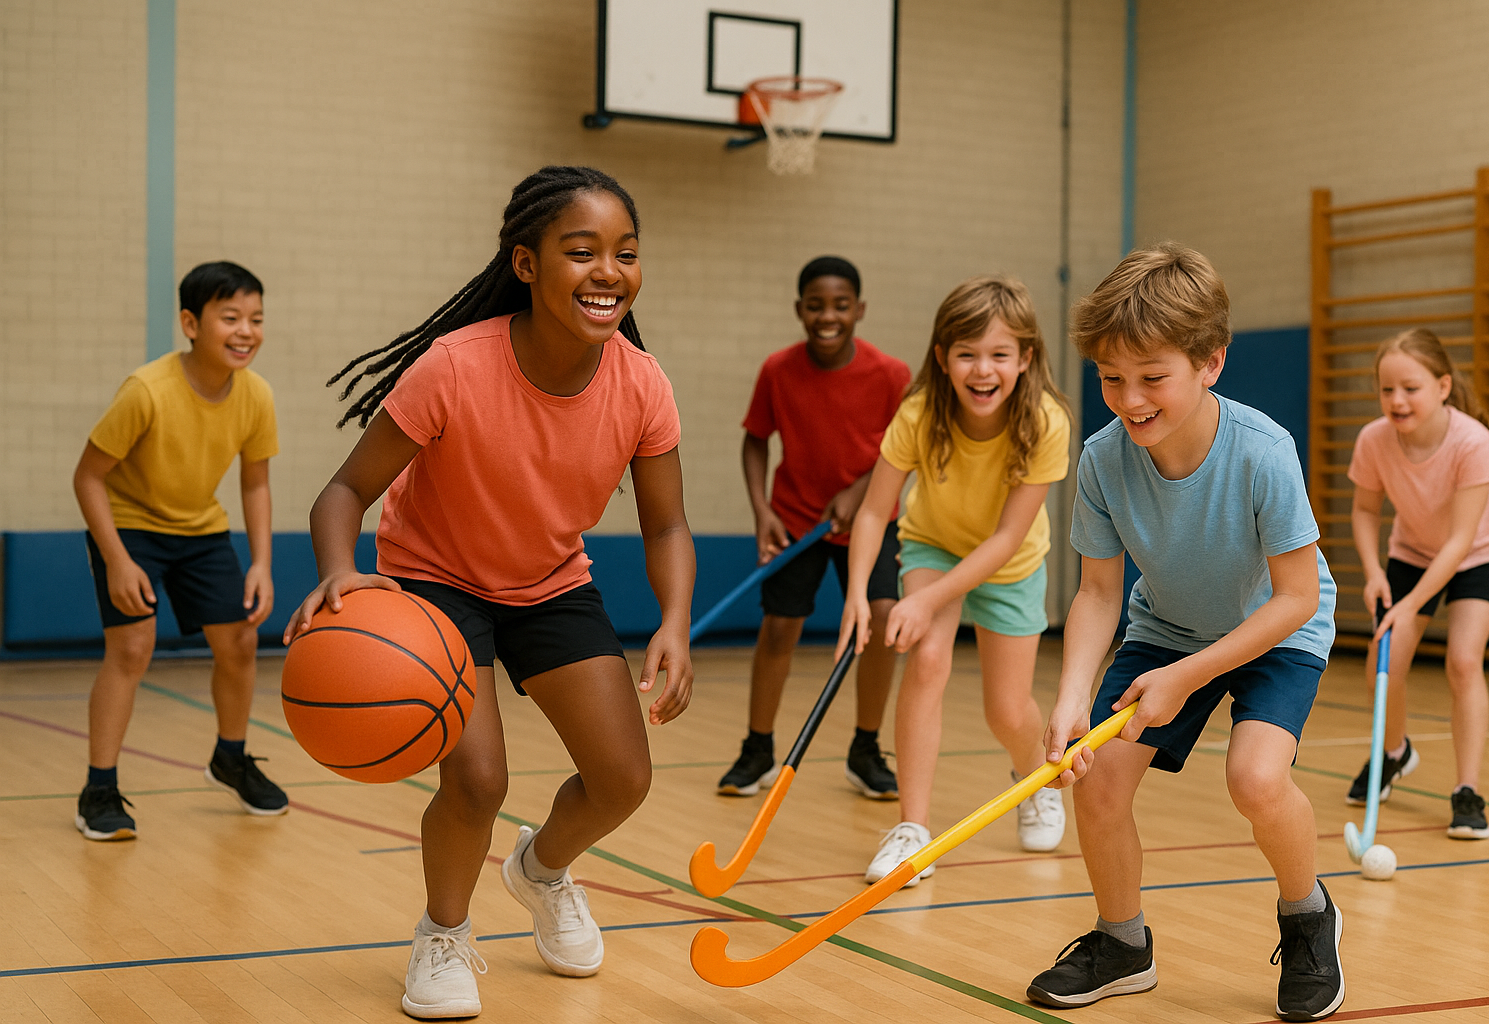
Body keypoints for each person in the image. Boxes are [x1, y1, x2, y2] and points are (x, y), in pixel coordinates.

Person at [283, 166, 694, 1020]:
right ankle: (442, 933)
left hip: (550, 583)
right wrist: (336, 571)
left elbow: (665, 526)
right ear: (527, 263)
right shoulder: (455, 368)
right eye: (581, 252)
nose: (608, 271)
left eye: (625, 252)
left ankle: (540, 870)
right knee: (477, 780)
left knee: (622, 779)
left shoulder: (643, 384)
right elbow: (342, 493)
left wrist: (677, 623)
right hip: (435, 580)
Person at [1027, 244, 1342, 1023]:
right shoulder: (1102, 461)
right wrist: (1070, 699)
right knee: (1096, 778)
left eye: (1151, 377)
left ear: (1210, 363)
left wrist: (1190, 676)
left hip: (1276, 630)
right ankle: (1122, 944)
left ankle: (1308, 917)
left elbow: (1296, 597)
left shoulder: (1263, 452)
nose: (1128, 399)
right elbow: (1098, 593)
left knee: (1256, 779)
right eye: (1110, 378)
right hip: (1166, 626)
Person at [837, 275, 1072, 886]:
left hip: (1010, 562)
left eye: (999, 354)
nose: (982, 370)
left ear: (1025, 359)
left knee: (1007, 710)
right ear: (942, 358)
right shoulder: (920, 412)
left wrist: (929, 600)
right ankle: (913, 828)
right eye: (966, 354)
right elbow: (871, 511)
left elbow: (1004, 541)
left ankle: (1034, 780)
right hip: (933, 546)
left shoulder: (1046, 422)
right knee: (929, 659)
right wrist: (859, 594)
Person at [72, 261, 286, 842]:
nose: (246, 331)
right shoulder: (147, 391)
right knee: (133, 647)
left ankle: (231, 757)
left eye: (257, 318)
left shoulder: (256, 395)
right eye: (231, 317)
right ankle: (99, 786)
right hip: (130, 526)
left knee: (240, 639)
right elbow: (88, 477)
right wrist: (116, 557)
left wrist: (262, 562)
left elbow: (255, 482)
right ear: (191, 323)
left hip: (200, 531)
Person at [719, 256, 911, 800]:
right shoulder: (778, 370)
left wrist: (860, 492)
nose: (828, 316)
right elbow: (755, 438)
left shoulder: (891, 374)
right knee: (779, 628)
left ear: (860, 310)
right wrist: (762, 509)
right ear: (800, 310)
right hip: (798, 520)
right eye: (816, 305)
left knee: (881, 618)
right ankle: (757, 749)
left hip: (871, 521)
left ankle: (866, 748)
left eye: (841, 305)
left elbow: (907, 448)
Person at [1346, 327, 1489, 840]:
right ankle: (1395, 754)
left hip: (1475, 555)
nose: (1396, 400)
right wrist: (1374, 572)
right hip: (1412, 554)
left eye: (1410, 388)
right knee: (1384, 662)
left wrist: (1412, 603)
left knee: (1463, 662)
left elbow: (1462, 541)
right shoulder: (1374, 439)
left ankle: (1467, 792)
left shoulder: (1471, 441)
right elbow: (1365, 509)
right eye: (1386, 389)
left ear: (1442, 386)